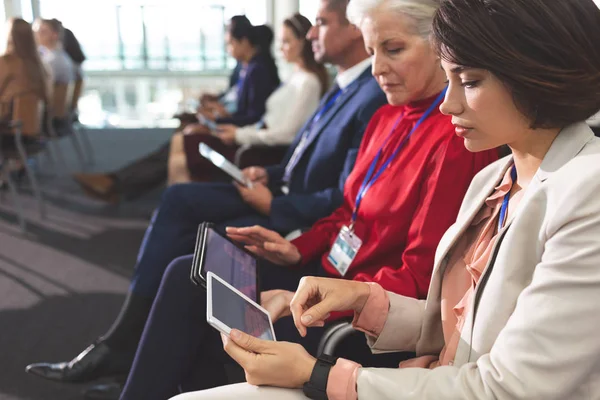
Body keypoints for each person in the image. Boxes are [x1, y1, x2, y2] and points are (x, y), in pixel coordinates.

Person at [172, 0, 600, 398]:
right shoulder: (496, 177)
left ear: (540, 72)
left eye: (468, 81)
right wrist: (366, 301)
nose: (448, 104)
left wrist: (320, 375)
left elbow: (509, 388)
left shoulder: (587, 192)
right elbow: (463, 328)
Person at [109, 0, 499, 397]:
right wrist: (296, 249)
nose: (378, 68)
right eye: (372, 52)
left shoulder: (456, 140)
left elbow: (418, 281)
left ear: (440, 47)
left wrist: (337, 296)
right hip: (327, 274)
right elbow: (349, 210)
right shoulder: (386, 117)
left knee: (195, 298)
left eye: (393, 49)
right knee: (191, 274)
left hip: (359, 307)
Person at [24, 2, 388, 399]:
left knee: (189, 238)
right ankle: (138, 351)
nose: (312, 34)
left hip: (296, 216)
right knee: (186, 231)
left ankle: (127, 348)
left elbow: (344, 196)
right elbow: (305, 158)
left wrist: (274, 205)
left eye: (320, 23)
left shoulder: (371, 94)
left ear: (356, 30)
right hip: (284, 195)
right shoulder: (344, 86)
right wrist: (269, 173)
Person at [70, 17, 280, 202]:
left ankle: (117, 183)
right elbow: (237, 101)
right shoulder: (246, 68)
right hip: (229, 127)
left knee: (182, 138)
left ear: (243, 42)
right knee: (178, 137)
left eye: (230, 43)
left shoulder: (257, 71)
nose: (228, 49)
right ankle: (117, 182)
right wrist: (215, 107)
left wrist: (218, 120)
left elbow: (254, 116)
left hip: (234, 136)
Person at [168, 13, 328, 185]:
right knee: (183, 149)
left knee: (181, 159)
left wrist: (238, 135)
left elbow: (285, 134)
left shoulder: (308, 83)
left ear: (303, 42)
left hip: (259, 151)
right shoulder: (295, 77)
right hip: (252, 141)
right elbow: (266, 123)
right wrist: (234, 131)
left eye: (286, 42)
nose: (281, 48)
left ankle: (177, 204)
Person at [0, 18, 50, 122]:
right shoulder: (39, 64)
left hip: (10, 125)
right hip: (33, 125)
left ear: (10, 37)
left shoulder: (6, 61)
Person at [32, 18, 74, 85]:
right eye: (36, 32)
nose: (37, 35)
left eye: (42, 32)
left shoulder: (53, 60)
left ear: (55, 35)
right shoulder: (58, 55)